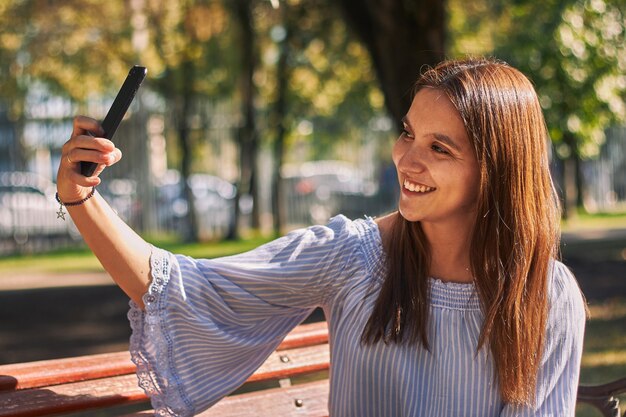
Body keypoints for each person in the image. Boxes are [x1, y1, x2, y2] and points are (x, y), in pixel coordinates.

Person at [55, 57, 586, 417]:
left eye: (440, 148)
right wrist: (81, 197)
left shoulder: (547, 294)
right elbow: (181, 287)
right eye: (407, 133)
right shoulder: (353, 256)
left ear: (497, 169)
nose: (407, 159)